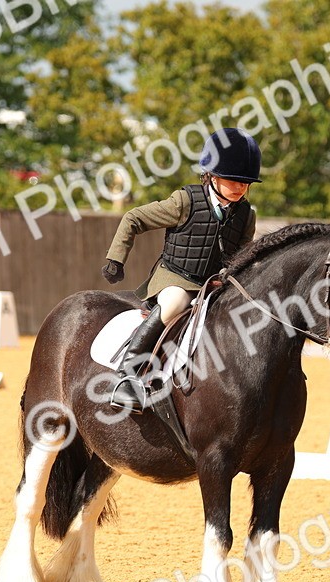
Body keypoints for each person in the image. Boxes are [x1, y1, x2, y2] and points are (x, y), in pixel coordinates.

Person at [102, 128, 261, 413]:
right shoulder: (184, 201)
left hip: (213, 286)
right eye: (233, 180)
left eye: (246, 183)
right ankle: (128, 375)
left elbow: (241, 257)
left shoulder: (246, 215)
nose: (240, 188)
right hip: (175, 277)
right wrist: (116, 258)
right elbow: (133, 217)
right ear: (211, 175)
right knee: (176, 302)